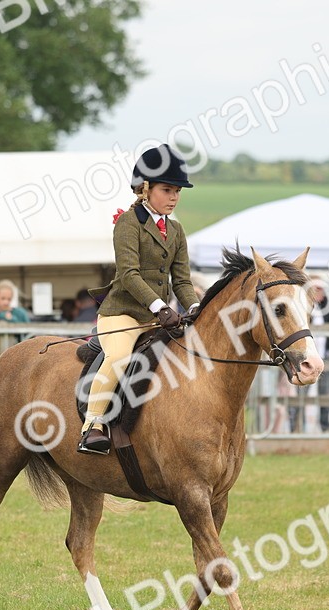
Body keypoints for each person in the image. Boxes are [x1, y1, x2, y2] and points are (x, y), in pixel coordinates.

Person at [78, 143, 199, 455]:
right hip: (123, 313)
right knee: (118, 357)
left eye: (177, 192)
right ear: (145, 189)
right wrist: (160, 306)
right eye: (167, 189)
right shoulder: (128, 223)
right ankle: (92, 425)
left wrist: (195, 306)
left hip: (158, 318)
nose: (174, 197)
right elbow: (129, 274)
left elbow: (182, 280)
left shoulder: (176, 230)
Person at [308, 283, 329, 433]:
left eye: (320, 289)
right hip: (305, 358)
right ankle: (296, 427)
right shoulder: (303, 307)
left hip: (323, 358)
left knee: (325, 393)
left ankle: (325, 426)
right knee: (300, 395)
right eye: (315, 289)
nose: (318, 292)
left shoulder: (328, 309)